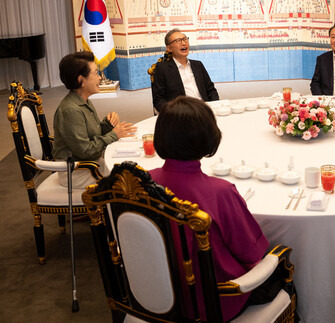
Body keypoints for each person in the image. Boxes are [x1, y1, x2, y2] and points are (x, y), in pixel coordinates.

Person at [149, 96, 270, 321]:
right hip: (211, 301)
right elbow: (251, 253)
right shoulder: (219, 192)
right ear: (208, 137)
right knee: (282, 266)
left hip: (154, 293)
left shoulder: (146, 182)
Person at [52, 51, 136, 188]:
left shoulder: (82, 100)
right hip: (77, 172)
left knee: (131, 166)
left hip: (90, 163)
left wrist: (108, 125)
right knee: (130, 180)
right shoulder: (71, 110)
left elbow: (92, 135)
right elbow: (85, 151)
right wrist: (114, 135)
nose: (100, 78)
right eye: (96, 73)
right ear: (81, 80)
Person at [151, 28, 219, 113]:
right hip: (181, 114)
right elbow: (159, 100)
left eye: (185, 39)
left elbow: (211, 90)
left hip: (204, 111)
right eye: (178, 41)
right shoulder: (162, 68)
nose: (184, 43)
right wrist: (173, 114)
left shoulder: (198, 65)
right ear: (169, 48)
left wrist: (215, 107)